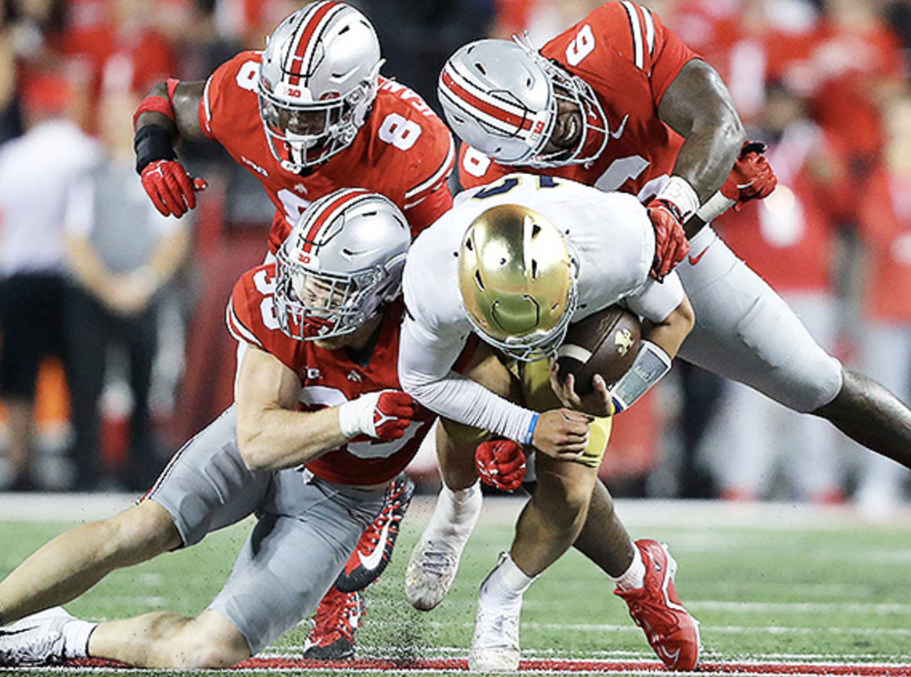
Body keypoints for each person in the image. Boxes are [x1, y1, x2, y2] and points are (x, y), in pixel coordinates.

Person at [406, 0, 911, 631]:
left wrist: (688, 200)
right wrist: (515, 417)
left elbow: (718, 124)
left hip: (678, 238)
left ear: (546, 68)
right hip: (587, 285)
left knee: (813, 379)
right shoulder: (490, 183)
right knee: (551, 445)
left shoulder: (615, 37)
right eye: (548, 139)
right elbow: (519, 299)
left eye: (559, 107)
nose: (567, 132)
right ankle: (630, 581)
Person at [132, 0, 455, 657]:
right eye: (283, 110)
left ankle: (370, 507)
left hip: (383, 299)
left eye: (313, 117)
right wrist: (154, 156)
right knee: (277, 429)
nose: (293, 132)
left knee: (347, 437)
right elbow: (162, 99)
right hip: (292, 280)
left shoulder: (409, 144)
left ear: (363, 98)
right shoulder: (249, 96)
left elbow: (438, 271)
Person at [0, 190, 433, 669]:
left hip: (339, 500)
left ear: (383, 289)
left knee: (205, 651)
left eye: (329, 286)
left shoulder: (429, 336)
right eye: (304, 276)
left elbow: (471, 427)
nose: (305, 295)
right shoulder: (275, 301)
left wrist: (451, 528)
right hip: (262, 442)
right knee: (141, 528)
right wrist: (357, 417)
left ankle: (65, 637)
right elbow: (256, 443)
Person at [398, 172, 699, 671]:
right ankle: (456, 509)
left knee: (570, 490)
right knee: (470, 403)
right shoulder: (434, 274)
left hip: (577, 330)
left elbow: (677, 318)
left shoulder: (616, 244)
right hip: (483, 340)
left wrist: (615, 399)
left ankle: (502, 597)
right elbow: (423, 383)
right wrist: (524, 426)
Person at [64, 88, 192, 492]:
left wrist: (143, 283)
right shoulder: (88, 173)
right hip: (94, 294)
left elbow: (173, 236)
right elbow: (75, 238)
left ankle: (139, 467)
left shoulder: (161, 170)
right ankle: (86, 467)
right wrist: (106, 286)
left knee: (145, 380)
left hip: (143, 292)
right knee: (85, 381)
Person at [0, 71, 100, 491]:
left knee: (20, 378)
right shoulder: (87, 153)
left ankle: (22, 464)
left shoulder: (13, 156)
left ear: (35, 110)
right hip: (74, 280)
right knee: (82, 374)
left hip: (19, 277)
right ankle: (84, 465)